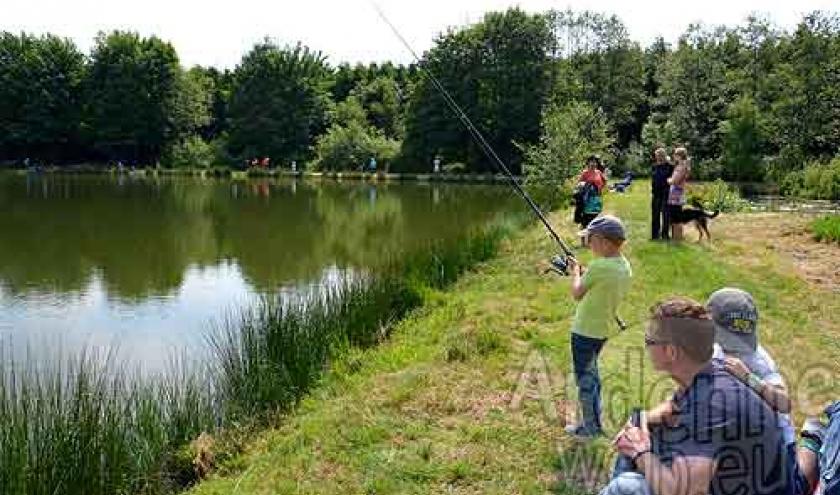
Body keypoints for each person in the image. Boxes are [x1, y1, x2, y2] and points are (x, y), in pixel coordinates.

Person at [600, 296, 790, 495]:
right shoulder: (709, 371)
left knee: (627, 487)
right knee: (643, 434)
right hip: (732, 480)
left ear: (671, 352)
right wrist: (641, 421)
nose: (646, 346)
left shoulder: (711, 405)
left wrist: (641, 452)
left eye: (649, 340)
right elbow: (674, 407)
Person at [706, 287, 812, 495]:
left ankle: (813, 442)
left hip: (773, 446)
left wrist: (749, 378)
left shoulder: (757, 360)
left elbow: (784, 403)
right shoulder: (707, 347)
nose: (732, 348)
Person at [564, 215, 633, 441]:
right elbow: (602, 289)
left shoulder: (598, 266)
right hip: (602, 332)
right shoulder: (623, 266)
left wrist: (576, 272)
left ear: (604, 241)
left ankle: (590, 429)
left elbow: (577, 293)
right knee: (593, 376)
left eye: (590, 239)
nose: (588, 244)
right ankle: (595, 420)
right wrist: (586, 275)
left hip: (584, 331)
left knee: (585, 379)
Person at [574, 155, 607, 247]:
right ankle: (583, 242)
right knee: (585, 222)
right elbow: (579, 185)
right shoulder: (585, 173)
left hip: (596, 201)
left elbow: (604, 181)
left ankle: (591, 242)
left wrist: (599, 190)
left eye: (595, 162)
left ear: (597, 163)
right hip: (587, 201)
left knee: (595, 221)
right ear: (588, 163)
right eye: (591, 162)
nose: (593, 164)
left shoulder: (599, 172)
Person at [667, 147, 691, 241]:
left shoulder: (682, 167)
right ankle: (676, 237)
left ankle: (677, 238)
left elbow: (676, 181)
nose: (674, 156)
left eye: (675, 154)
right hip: (675, 193)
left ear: (679, 156)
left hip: (677, 194)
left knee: (676, 217)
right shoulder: (681, 165)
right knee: (675, 216)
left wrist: (669, 180)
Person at [651, 148, 674, 240]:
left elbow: (673, 180)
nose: (658, 158)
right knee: (655, 215)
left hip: (666, 194)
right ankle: (655, 235)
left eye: (659, 156)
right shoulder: (655, 166)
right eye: (656, 156)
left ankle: (665, 235)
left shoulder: (670, 166)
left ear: (663, 156)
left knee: (666, 216)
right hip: (656, 194)